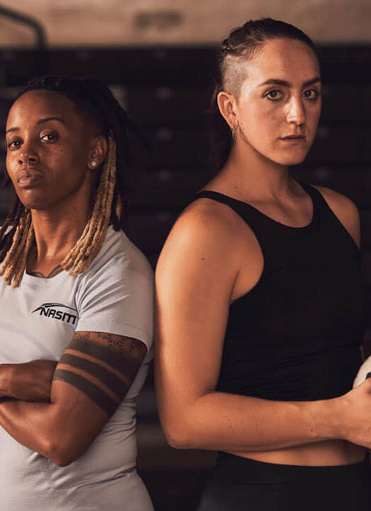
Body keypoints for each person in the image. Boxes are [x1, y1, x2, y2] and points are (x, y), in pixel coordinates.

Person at [155, 18, 371, 511]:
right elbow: (184, 422)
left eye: (310, 93)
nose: (298, 114)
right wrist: (337, 418)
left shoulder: (341, 214)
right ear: (230, 108)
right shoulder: (206, 230)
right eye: (275, 94)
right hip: (262, 494)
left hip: (354, 490)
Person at [0, 75, 154, 510]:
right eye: (15, 142)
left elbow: (60, 437)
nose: (26, 155)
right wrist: (9, 379)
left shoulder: (119, 272)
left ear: (95, 152)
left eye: (48, 136)